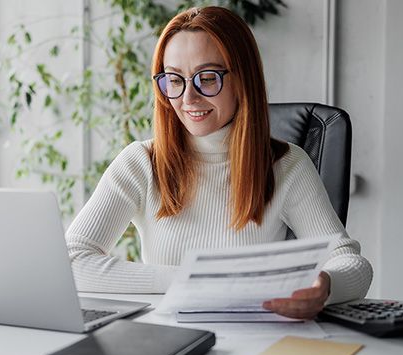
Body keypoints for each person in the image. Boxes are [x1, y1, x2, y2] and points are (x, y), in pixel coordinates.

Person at [66, 6, 372, 319]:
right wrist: (201, 281)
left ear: (243, 79)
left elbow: (351, 263)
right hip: (167, 340)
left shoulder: (286, 165)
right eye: (174, 79)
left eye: (207, 78)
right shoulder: (140, 163)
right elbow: (72, 261)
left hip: (257, 346)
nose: (188, 99)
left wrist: (325, 285)